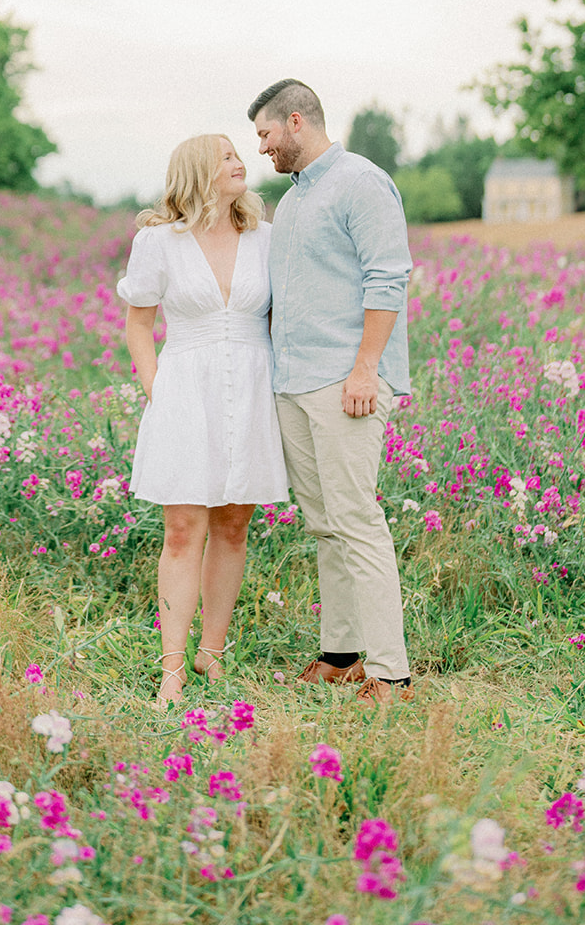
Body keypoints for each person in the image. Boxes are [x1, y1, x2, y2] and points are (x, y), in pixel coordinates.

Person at [249, 78, 414, 705]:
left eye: (264, 134)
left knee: (356, 520)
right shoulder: (290, 202)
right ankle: (341, 655)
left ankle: (391, 673)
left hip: (345, 382)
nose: (261, 148)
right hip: (292, 382)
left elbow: (387, 276)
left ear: (296, 121)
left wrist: (366, 368)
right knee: (323, 524)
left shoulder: (361, 183)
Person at [118, 134, 287, 705]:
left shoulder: (267, 238)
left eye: (241, 154)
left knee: (233, 525)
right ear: (197, 171)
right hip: (184, 387)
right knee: (182, 529)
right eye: (226, 157)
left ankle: (211, 654)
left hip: (251, 381)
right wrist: (155, 390)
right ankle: (172, 667)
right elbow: (139, 324)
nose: (241, 163)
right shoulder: (158, 242)